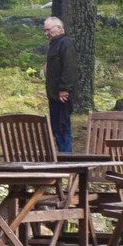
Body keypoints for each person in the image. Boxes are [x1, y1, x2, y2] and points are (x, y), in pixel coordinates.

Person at [43, 16, 76, 152]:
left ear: (59, 28)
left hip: (62, 96)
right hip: (53, 95)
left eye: (48, 30)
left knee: (63, 127)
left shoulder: (65, 43)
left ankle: (66, 157)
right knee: (56, 128)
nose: (46, 33)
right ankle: (62, 155)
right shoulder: (54, 44)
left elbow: (69, 67)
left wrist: (64, 89)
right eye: (45, 30)